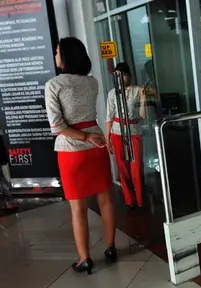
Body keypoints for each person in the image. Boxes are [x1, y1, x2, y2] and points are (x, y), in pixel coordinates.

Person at [45, 37, 117, 275]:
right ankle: (110, 247)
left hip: (71, 151)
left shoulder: (54, 85)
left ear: (65, 56)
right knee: (105, 199)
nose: (55, 56)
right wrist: (90, 137)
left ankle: (84, 259)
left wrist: (83, 138)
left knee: (78, 208)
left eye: (57, 52)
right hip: (97, 146)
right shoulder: (92, 82)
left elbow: (57, 126)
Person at [105, 63, 146, 209]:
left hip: (134, 131)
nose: (120, 78)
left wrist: (143, 101)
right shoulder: (112, 94)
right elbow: (109, 117)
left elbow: (143, 116)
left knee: (135, 167)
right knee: (122, 167)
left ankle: (141, 199)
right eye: (116, 76)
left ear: (129, 75)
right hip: (116, 131)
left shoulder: (137, 91)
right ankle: (130, 199)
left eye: (123, 75)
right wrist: (107, 139)